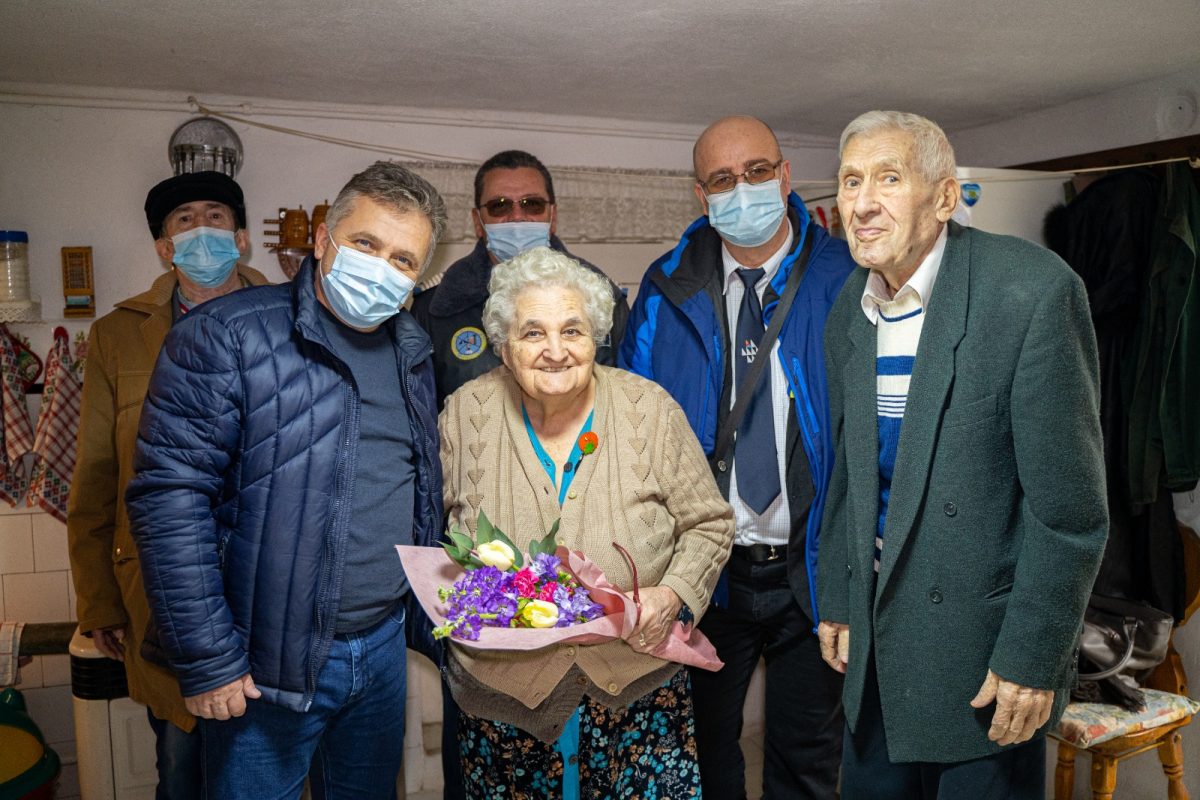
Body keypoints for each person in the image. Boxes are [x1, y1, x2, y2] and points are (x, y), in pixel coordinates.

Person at [125, 161, 448, 799]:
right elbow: (169, 500)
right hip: (263, 657)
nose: (382, 269)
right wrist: (208, 658)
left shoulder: (411, 352)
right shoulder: (225, 334)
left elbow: (408, 486)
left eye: (404, 260)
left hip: (381, 649)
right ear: (324, 237)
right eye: (366, 244)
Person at [817, 110, 1108, 800]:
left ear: (945, 197)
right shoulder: (845, 312)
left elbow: (1068, 514)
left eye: (889, 178)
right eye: (850, 180)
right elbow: (849, 479)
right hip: (877, 650)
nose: (861, 203)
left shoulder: (1031, 292)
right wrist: (838, 594)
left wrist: (1034, 660)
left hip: (983, 658)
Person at [439, 246, 734, 798]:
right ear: (503, 346)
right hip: (503, 701)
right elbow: (435, 536)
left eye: (572, 330)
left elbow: (710, 524)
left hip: (637, 687)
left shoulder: (649, 409)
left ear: (596, 336)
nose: (555, 351)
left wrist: (674, 593)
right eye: (532, 333)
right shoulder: (465, 414)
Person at [620, 115, 855, 799]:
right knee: (700, 753)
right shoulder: (665, 291)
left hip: (811, 570)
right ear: (701, 197)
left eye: (757, 171)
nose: (742, 190)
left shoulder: (847, 277)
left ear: (785, 178)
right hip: (704, 575)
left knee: (809, 759)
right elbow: (634, 434)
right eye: (723, 180)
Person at [67, 170, 269, 799]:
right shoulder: (118, 334)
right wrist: (100, 600)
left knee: (271, 764)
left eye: (216, 216)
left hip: (268, 584)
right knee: (183, 766)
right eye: (184, 221)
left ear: (240, 238)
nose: (202, 230)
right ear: (163, 246)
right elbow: (96, 476)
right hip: (163, 591)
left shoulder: (292, 316)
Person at [413, 149, 629, 405]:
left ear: (553, 216)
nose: (517, 216)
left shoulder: (603, 297)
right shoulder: (433, 308)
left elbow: (625, 400)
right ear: (478, 222)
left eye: (532, 204)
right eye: (499, 206)